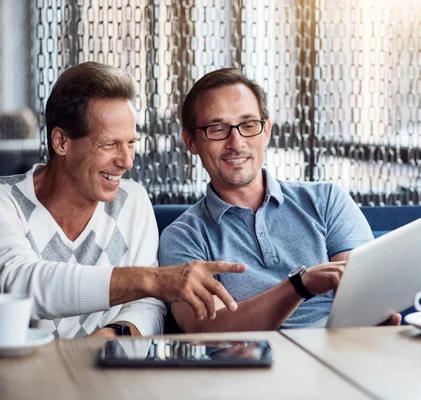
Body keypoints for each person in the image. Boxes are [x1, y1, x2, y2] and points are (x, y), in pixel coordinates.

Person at [0, 62, 245, 340]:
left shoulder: (132, 200)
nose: (127, 161)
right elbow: (19, 285)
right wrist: (152, 280)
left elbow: (147, 307)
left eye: (131, 143)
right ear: (61, 142)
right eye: (109, 144)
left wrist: (109, 337)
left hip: (96, 374)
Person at [158, 68, 402, 332]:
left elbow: (363, 292)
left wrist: (376, 314)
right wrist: (299, 286)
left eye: (249, 125)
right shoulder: (182, 237)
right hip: (253, 365)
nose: (236, 142)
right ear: (191, 142)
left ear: (266, 131)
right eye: (217, 129)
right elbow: (206, 331)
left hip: (341, 349)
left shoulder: (327, 200)